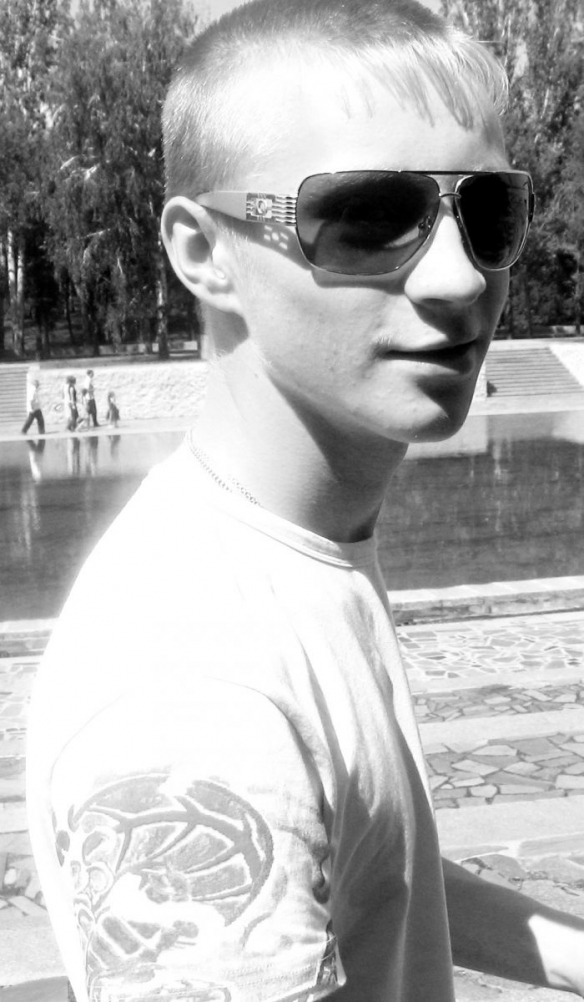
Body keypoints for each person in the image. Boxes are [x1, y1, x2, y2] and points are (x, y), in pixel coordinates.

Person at [26, 3, 584, 1002]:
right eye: (365, 218)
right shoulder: (193, 689)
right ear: (204, 252)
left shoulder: (288, 553)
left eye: (487, 213)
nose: (461, 279)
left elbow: (379, 876)